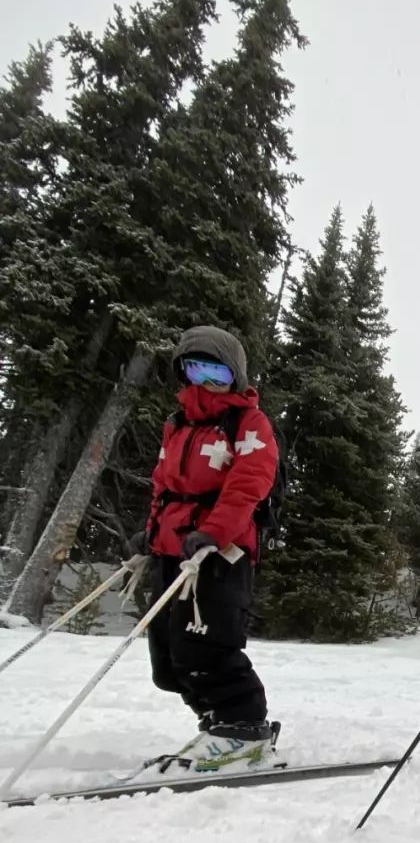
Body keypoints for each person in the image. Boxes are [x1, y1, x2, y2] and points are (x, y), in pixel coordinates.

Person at [127, 325, 279, 775]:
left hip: (220, 554)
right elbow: (163, 486)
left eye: (218, 373)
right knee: (167, 659)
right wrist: (150, 533)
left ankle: (243, 729)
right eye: (196, 370)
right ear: (183, 373)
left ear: (235, 376)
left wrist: (215, 532)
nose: (207, 382)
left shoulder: (248, 424)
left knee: (206, 646)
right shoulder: (177, 426)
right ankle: (216, 724)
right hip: (173, 552)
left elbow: (249, 484)